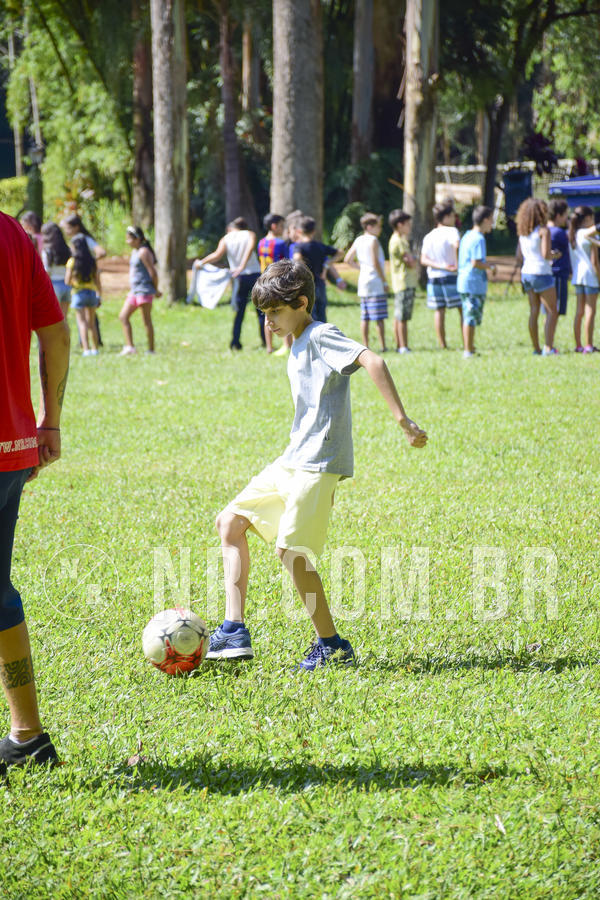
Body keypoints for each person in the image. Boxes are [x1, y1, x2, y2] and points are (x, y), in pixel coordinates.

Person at [207, 258, 427, 670]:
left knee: (291, 553)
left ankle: (332, 645)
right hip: (292, 460)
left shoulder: (323, 334)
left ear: (302, 303)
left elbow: (373, 361)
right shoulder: (297, 339)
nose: (268, 322)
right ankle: (233, 629)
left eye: (274, 313)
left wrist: (403, 420)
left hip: (317, 464)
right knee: (229, 522)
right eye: (264, 314)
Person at [0, 210, 70, 774]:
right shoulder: (15, 235)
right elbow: (55, 331)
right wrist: (48, 421)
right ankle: (28, 735)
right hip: (11, 450)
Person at [192, 218, 262, 351]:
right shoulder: (250, 234)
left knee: (239, 312)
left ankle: (235, 342)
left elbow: (217, 255)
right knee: (261, 310)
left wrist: (201, 262)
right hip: (254, 274)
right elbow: (250, 249)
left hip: (238, 277)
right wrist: (243, 265)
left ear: (230, 228)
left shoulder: (226, 238)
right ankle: (265, 341)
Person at [516, 198, 560, 356]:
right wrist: (555, 255)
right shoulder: (543, 231)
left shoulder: (523, 232)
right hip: (542, 272)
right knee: (552, 311)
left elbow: (520, 256)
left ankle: (536, 348)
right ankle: (548, 347)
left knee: (534, 310)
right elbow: (545, 254)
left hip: (527, 273)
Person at [344, 212, 389, 352]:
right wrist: (384, 281)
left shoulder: (359, 240)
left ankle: (366, 345)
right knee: (379, 316)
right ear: (369, 227)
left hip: (363, 280)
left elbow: (347, 260)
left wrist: (361, 267)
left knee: (365, 316)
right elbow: (375, 261)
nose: (380, 229)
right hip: (375, 280)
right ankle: (383, 346)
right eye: (377, 226)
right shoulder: (373, 240)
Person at [420, 201, 462, 349]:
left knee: (439, 311)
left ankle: (442, 344)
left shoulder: (429, 236)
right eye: (452, 216)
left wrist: (440, 265)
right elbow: (456, 246)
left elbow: (424, 259)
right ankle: (466, 341)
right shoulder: (452, 231)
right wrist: (455, 266)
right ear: (446, 217)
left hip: (434, 277)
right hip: (451, 275)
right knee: (461, 308)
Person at [457, 205, 496, 358]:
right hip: (472, 283)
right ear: (485, 220)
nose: (492, 223)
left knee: (469, 315)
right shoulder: (478, 238)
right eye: (491, 220)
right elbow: (475, 262)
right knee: (470, 317)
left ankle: (470, 347)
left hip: (465, 282)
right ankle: (468, 350)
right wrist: (491, 267)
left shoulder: (467, 235)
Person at [61, 214, 106, 347]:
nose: (66, 232)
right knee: (89, 320)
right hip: (90, 288)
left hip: (81, 285)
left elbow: (101, 252)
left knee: (85, 320)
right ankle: (91, 345)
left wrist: (86, 264)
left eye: (68, 228)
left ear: (76, 227)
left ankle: (88, 345)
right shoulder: (76, 240)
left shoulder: (84, 239)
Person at [292, 215, 343, 323]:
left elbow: (297, 258)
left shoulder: (299, 247)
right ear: (314, 231)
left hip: (308, 286)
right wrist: (327, 264)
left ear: (300, 231)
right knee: (322, 316)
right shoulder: (320, 246)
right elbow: (340, 253)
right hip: (321, 283)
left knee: (311, 317)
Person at [119, 226, 160, 356]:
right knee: (123, 317)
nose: (127, 241)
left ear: (137, 239)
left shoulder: (144, 252)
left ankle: (151, 349)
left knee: (146, 320)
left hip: (144, 290)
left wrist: (156, 289)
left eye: (129, 239)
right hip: (134, 291)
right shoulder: (135, 252)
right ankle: (130, 347)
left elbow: (153, 272)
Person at [568, 205, 600, 353]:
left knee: (579, 311)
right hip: (590, 277)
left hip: (577, 276)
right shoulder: (587, 233)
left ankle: (579, 345)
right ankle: (589, 345)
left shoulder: (573, 234)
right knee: (590, 311)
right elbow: (595, 262)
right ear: (587, 219)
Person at [64, 234, 102, 356]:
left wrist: (74, 283)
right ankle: (95, 348)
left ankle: (86, 349)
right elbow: (97, 280)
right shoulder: (92, 261)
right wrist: (99, 295)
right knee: (92, 323)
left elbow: (67, 280)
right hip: (91, 292)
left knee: (82, 323)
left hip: (78, 293)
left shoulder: (72, 261)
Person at [257, 213, 288, 353]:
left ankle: (269, 347)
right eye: (281, 226)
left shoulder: (261, 242)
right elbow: (287, 262)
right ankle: (287, 345)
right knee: (284, 312)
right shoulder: (280, 243)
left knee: (267, 315)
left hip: (264, 281)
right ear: (274, 226)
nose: (283, 229)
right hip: (278, 282)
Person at [388, 209, 418, 353]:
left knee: (399, 316)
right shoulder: (399, 241)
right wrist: (416, 259)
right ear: (400, 225)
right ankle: (403, 346)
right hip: (404, 281)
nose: (409, 227)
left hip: (400, 282)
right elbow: (410, 262)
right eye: (407, 224)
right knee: (403, 317)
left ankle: (400, 345)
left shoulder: (398, 239)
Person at [547, 198, 571, 320]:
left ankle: (548, 338)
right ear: (558, 215)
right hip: (559, 274)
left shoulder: (545, 230)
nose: (566, 219)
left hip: (549, 273)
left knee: (549, 311)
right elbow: (572, 243)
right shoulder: (559, 232)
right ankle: (550, 339)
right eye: (565, 215)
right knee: (554, 311)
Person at [41, 222, 72, 317]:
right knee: (64, 319)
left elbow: (47, 271)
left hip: (54, 286)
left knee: (53, 318)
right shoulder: (67, 249)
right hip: (67, 285)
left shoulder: (47, 250)